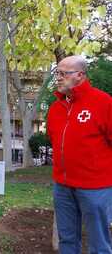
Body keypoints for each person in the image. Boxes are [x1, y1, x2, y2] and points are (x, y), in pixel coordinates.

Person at [47, 55, 112, 253]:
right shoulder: (55, 108)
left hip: (95, 187)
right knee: (67, 241)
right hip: (62, 186)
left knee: (98, 243)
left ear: (80, 75)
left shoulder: (103, 102)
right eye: (56, 73)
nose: (57, 78)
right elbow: (56, 141)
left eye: (63, 73)